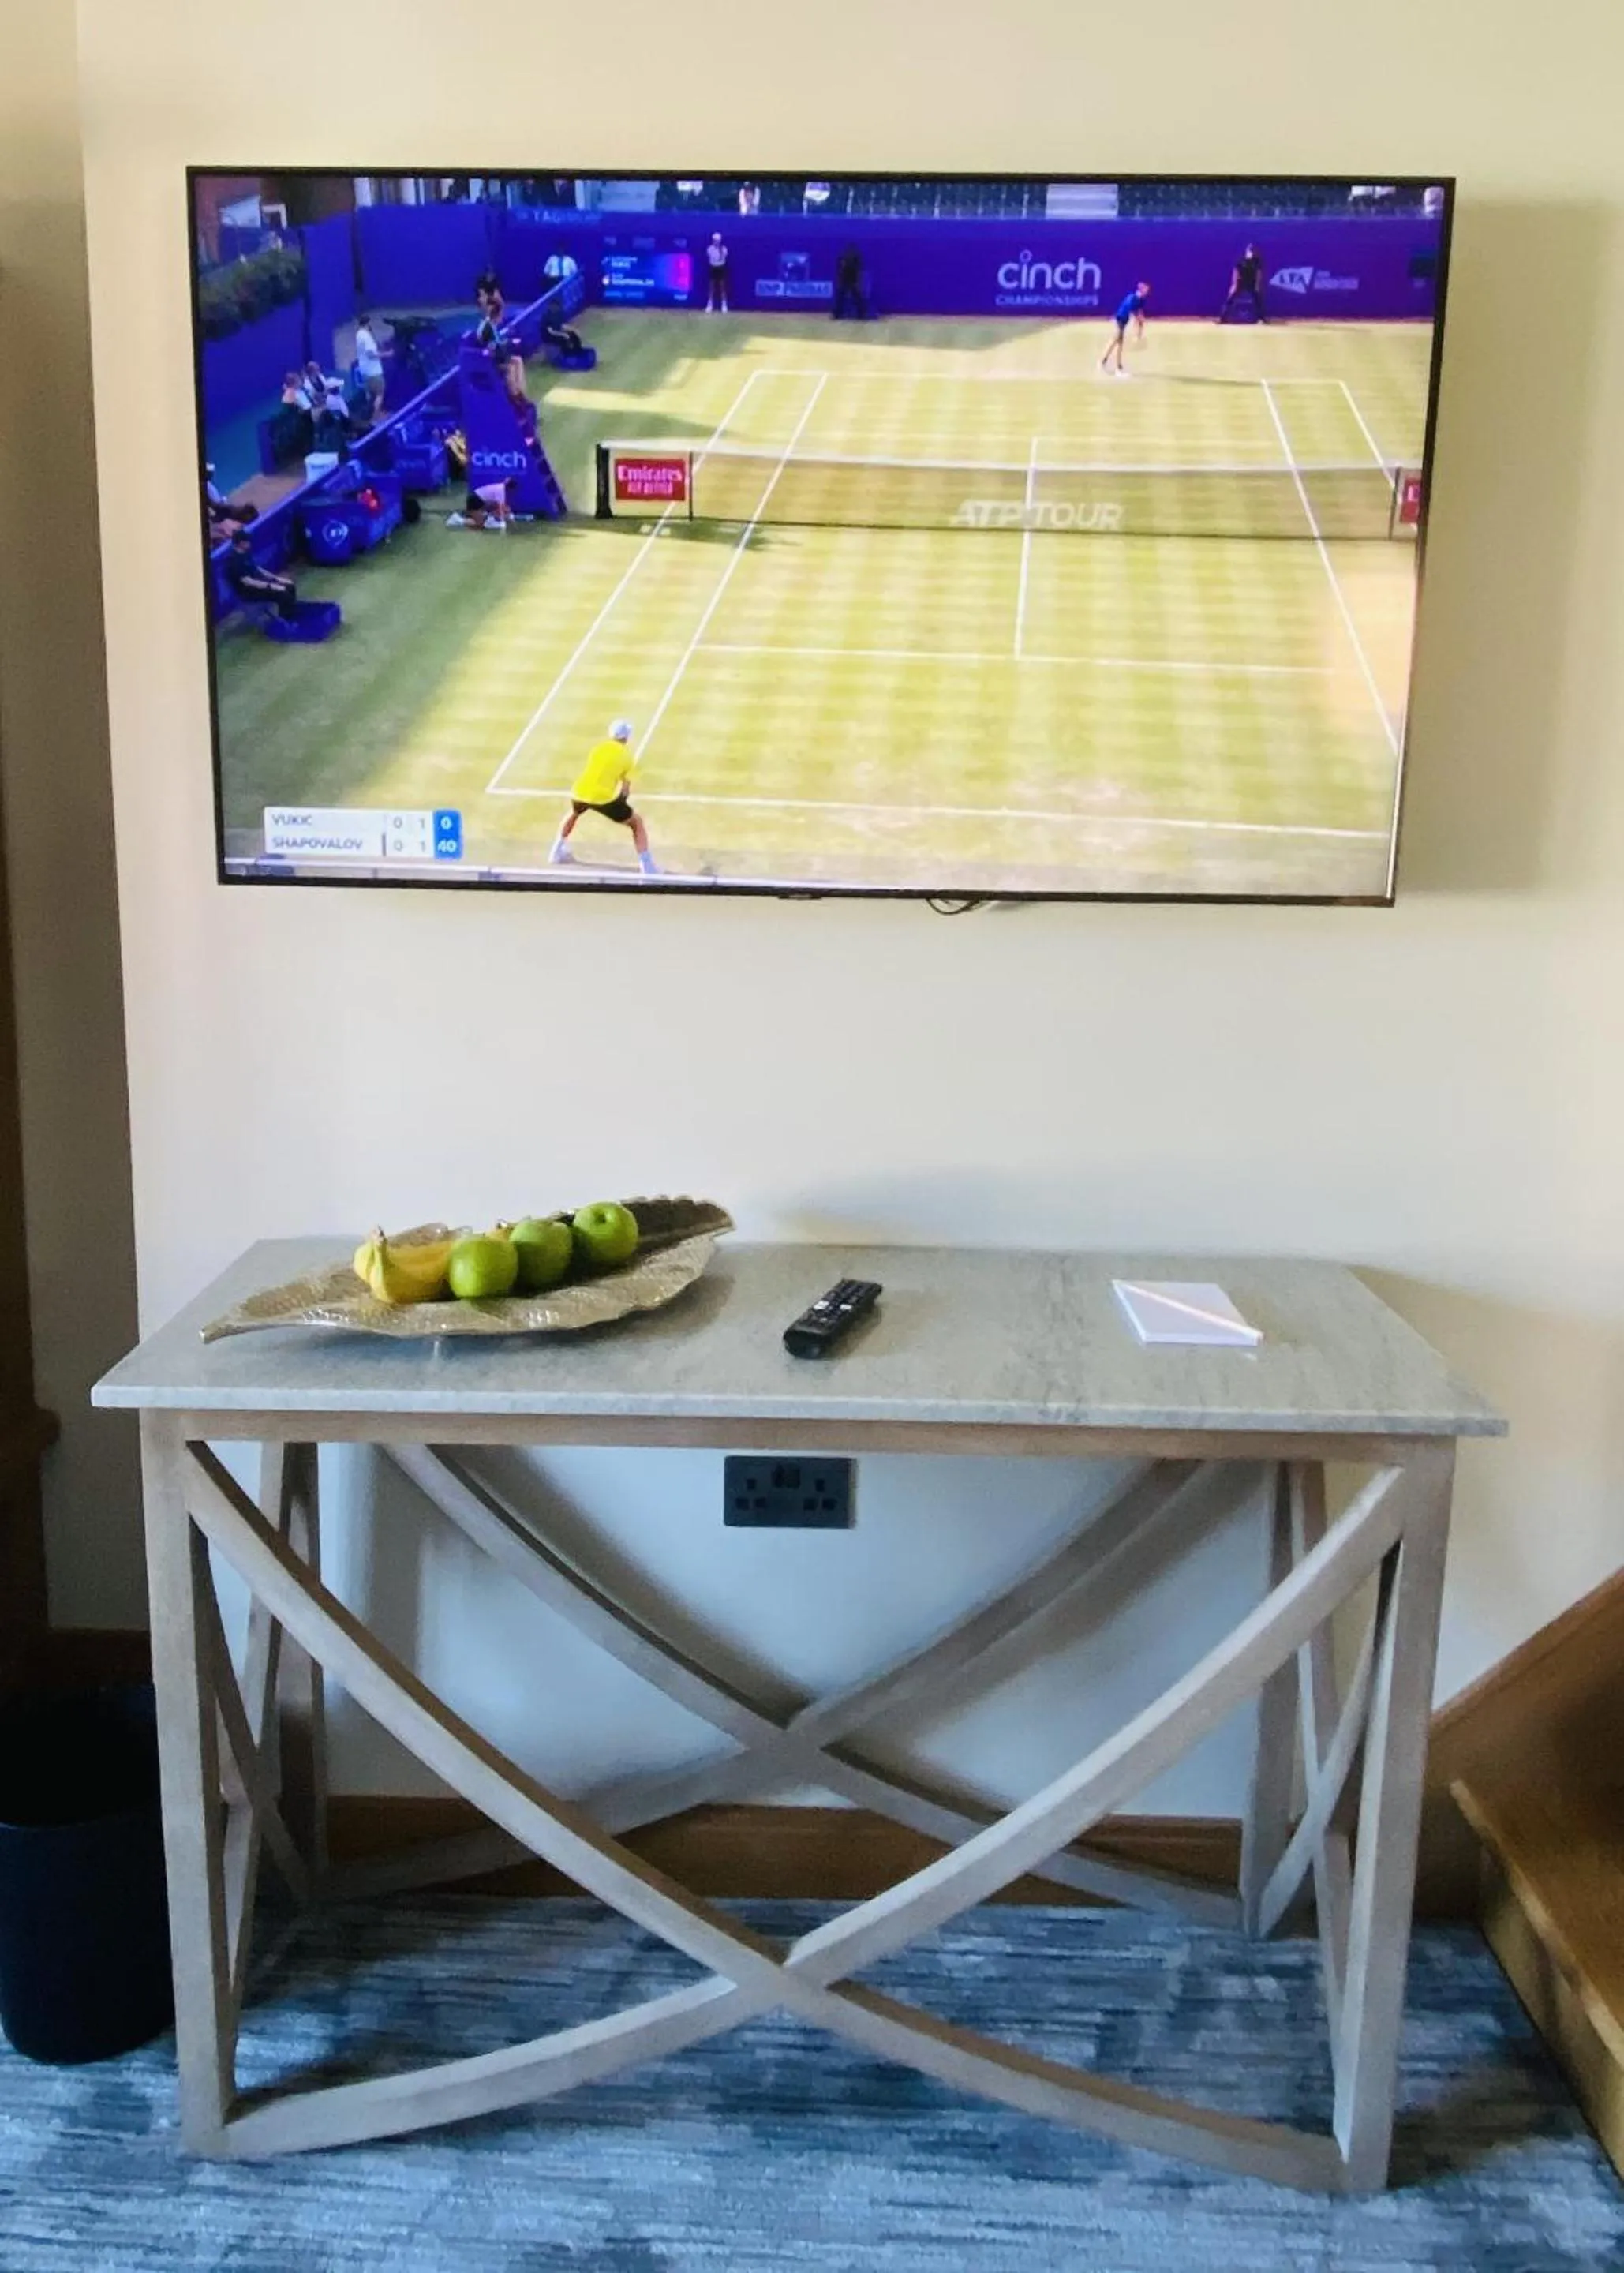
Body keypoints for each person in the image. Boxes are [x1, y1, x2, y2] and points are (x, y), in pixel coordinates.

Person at [548, 719, 659, 876]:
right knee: (637, 823)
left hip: (580, 792)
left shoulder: (598, 749)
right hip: (603, 798)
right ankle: (647, 866)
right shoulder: (627, 757)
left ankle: (555, 852)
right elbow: (625, 789)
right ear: (627, 737)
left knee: (574, 814)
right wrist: (621, 804)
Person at [222, 528, 297, 620]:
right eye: (247, 541)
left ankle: (292, 612)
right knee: (283, 593)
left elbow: (258, 569)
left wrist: (276, 579)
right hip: (249, 591)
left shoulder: (245, 553)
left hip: (259, 583)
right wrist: (271, 586)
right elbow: (248, 582)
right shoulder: (234, 561)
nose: (250, 542)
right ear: (241, 543)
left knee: (290, 586)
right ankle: (285, 622)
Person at [1099, 280, 1151, 374]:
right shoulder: (1133, 298)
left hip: (1123, 322)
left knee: (1116, 342)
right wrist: (1136, 330)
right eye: (1146, 289)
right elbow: (1133, 315)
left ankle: (1105, 363)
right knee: (1119, 343)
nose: (1147, 292)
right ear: (1141, 290)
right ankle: (1117, 367)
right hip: (1119, 320)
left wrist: (1140, 326)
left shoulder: (1141, 299)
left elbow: (1139, 313)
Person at [446, 473, 517, 531]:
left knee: (502, 507)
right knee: (479, 524)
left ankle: (487, 517)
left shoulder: (500, 487)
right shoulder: (501, 491)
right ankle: (457, 520)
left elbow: (501, 506)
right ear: (510, 489)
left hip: (478, 500)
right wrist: (502, 521)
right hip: (475, 500)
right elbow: (500, 507)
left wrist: (507, 513)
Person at [1218, 244, 1267, 324]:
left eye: (1253, 250)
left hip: (1252, 283)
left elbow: (1259, 274)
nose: (1251, 252)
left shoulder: (1257, 261)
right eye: (1250, 250)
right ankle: (1223, 319)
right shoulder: (1241, 261)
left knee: (1258, 301)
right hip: (1241, 282)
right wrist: (1234, 284)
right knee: (1230, 299)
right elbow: (1236, 272)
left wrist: (1257, 286)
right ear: (1246, 251)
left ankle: (1261, 319)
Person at [354, 313, 387, 419]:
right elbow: (371, 354)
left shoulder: (358, 334)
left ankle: (370, 414)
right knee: (379, 394)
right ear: (368, 323)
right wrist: (387, 354)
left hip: (365, 371)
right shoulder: (366, 336)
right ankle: (376, 416)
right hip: (373, 371)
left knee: (371, 394)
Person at [832, 243, 866, 320]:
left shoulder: (843, 256)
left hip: (846, 279)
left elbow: (840, 268)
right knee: (856, 297)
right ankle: (861, 314)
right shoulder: (855, 256)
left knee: (841, 297)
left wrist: (840, 278)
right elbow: (859, 268)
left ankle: (837, 314)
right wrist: (858, 280)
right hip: (851, 279)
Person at [704, 231, 729, 313]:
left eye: (717, 240)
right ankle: (710, 305)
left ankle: (724, 305)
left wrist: (720, 251)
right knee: (711, 287)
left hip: (721, 268)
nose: (716, 241)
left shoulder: (724, 249)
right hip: (713, 268)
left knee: (722, 288)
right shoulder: (709, 249)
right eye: (714, 240)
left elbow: (722, 259)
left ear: (720, 240)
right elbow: (710, 258)